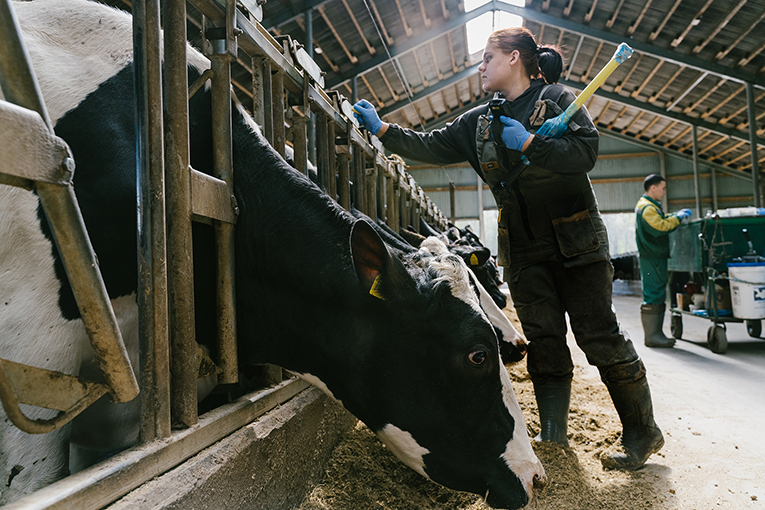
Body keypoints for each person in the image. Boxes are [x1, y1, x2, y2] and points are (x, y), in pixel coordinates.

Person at [353, 27, 664, 470]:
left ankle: (641, 431)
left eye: (487, 58)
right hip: (522, 245)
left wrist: (535, 143)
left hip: (576, 239)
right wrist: (382, 127)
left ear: (515, 58)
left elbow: (586, 154)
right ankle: (554, 437)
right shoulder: (478, 121)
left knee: (598, 335)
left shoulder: (557, 98)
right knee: (544, 339)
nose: (480, 67)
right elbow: (430, 144)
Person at [635, 174, 692, 348]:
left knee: (657, 293)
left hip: (654, 255)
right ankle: (652, 336)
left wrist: (674, 215)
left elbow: (661, 220)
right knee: (653, 294)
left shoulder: (650, 206)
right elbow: (659, 227)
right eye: (663, 188)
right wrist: (678, 218)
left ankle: (656, 334)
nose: (664, 192)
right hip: (652, 256)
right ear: (653, 187)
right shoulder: (647, 207)